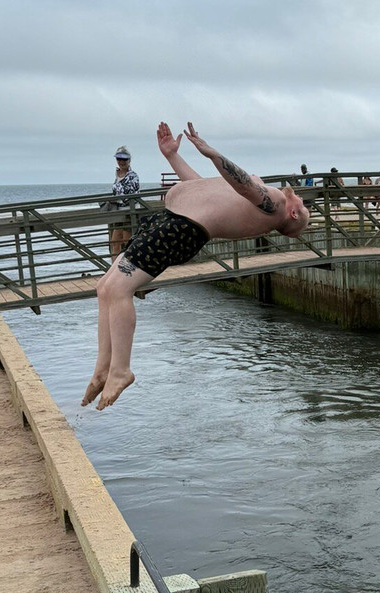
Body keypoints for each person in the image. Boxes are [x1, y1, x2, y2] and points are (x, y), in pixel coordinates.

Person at [82, 121, 310, 410]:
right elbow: (201, 188)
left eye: (304, 207)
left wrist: (212, 153)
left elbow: (244, 183)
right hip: (172, 221)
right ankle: (103, 369)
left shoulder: (275, 202)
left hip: (181, 228)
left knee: (120, 291)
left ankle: (120, 370)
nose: (302, 199)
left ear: (292, 212)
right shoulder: (264, 205)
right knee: (105, 288)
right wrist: (173, 156)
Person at [108, 146, 140, 258]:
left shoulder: (133, 176)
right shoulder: (117, 175)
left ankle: (127, 270)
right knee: (114, 243)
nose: (121, 162)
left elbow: (128, 196)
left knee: (127, 242)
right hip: (119, 213)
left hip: (129, 212)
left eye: (124, 159)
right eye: (119, 159)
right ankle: (114, 270)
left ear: (129, 160)